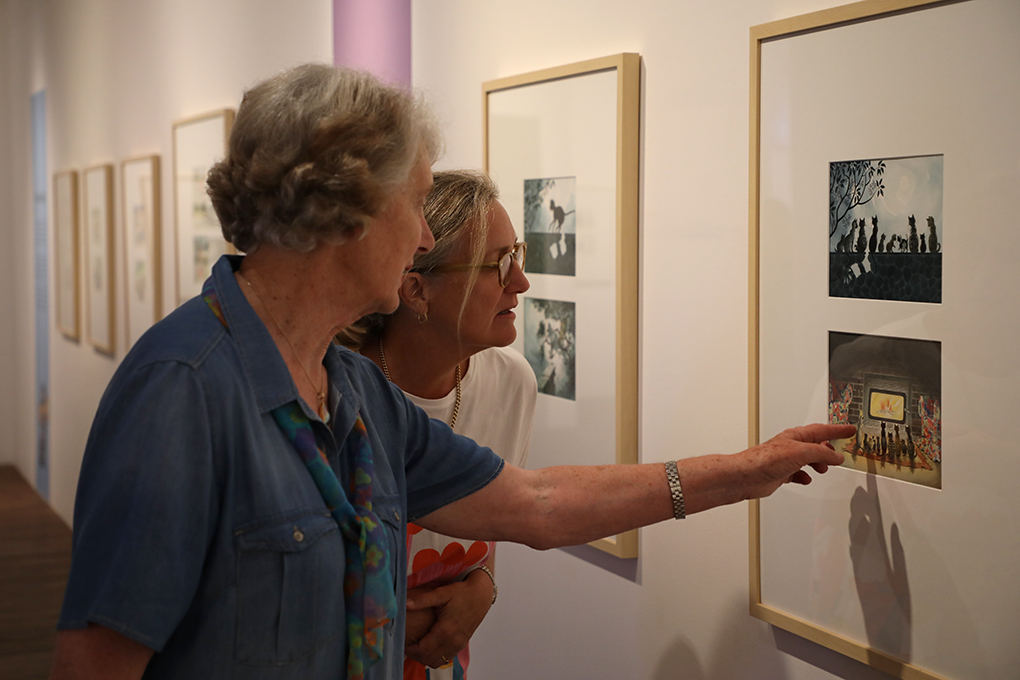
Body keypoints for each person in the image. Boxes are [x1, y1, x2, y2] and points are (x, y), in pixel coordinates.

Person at [50, 63, 853, 680]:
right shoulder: (180, 391)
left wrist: (751, 470)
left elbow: (538, 503)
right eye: (416, 202)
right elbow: (97, 666)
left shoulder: (352, 393)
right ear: (350, 208)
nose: (421, 240)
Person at [338, 169, 536, 680]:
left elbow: (491, 535)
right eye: (499, 264)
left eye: (518, 253)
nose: (521, 281)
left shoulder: (511, 383)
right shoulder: (334, 390)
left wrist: (485, 588)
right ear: (416, 290)